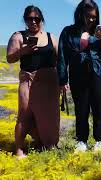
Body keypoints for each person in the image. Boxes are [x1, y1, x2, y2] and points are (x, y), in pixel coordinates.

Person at [57, 0, 101, 152]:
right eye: (88, 16)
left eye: (94, 17)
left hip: (98, 74)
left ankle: (100, 141)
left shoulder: (100, 32)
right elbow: (62, 57)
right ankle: (82, 141)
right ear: (80, 14)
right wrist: (62, 80)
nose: (91, 19)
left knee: (99, 109)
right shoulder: (68, 32)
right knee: (81, 110)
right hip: (77, 75)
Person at [6, 5, 60, 158]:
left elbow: (60, 60)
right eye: (30, 19)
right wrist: (24, 50)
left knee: (49, 117)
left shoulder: (52, 37)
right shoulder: (18, 36)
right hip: (28, 81)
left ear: (41, 19)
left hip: (49, 83)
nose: (34, 22)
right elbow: (10, 58)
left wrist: (63, 80)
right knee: (25, 114)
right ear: (25, 20)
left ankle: (46, 144)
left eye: (37, 19)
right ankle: (19, 149)